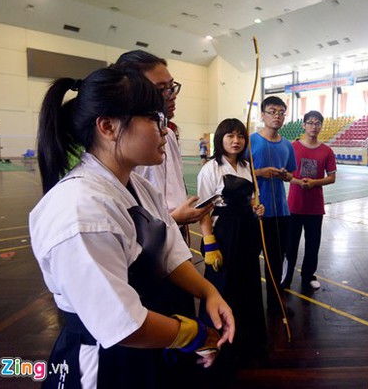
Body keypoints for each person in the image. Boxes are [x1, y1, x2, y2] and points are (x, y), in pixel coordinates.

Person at [29, 67, 235, 388]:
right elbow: (122, 324)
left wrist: (208, 292)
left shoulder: (138, 184)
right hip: (106, 359)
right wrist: (197, 335)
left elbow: (169, 251)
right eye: (154, 119)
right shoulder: (80, 211)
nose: (164, 131)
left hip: (151, 340)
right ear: (108, 126)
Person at [113, 50, 211, 248]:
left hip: (173, 233)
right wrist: (173, 218)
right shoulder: (127, 146)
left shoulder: (169, 135)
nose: (172, 95)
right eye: (161, 89)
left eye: (172, 86)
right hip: (147, 242)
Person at [196, 118, 267, 372]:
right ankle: (215, 345)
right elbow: (204, 210)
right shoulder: (210, 169)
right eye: (230, 136)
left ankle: (247, 342)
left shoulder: (247, 166)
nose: (236, 141)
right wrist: (210, 242)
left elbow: (250, 200)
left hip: (247, 230)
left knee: (247, 286)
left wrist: (256, 208)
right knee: (223, 287)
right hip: (224, 233)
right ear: (220, 139)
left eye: (240, 136)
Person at [249, 96, 296, 313]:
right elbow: (239, 173)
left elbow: (290, 175)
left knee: (276, 261)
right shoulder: (250, 142)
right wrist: (259, 173)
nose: (277, 116)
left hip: (281, 212)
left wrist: (284, 175)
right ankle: (251, 307)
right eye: (272, 111)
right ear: (263, 114)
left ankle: (276, 302)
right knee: (249, 261)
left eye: (281, 112)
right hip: (255, 211)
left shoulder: (287, 145)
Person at [283, 110, 336, 290]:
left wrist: (314, 183)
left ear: (321, 126)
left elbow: (331, 178)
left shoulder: (327, 151)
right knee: (290, 247)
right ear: (304, 125)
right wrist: (299, 181)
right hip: (294, 207)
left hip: (315, 208)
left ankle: (308, 277)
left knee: (313, 246)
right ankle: (286, 276)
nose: (314, 126)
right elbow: (286, 174)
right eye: (310, 122)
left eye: (317, 123)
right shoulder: (293, 147)